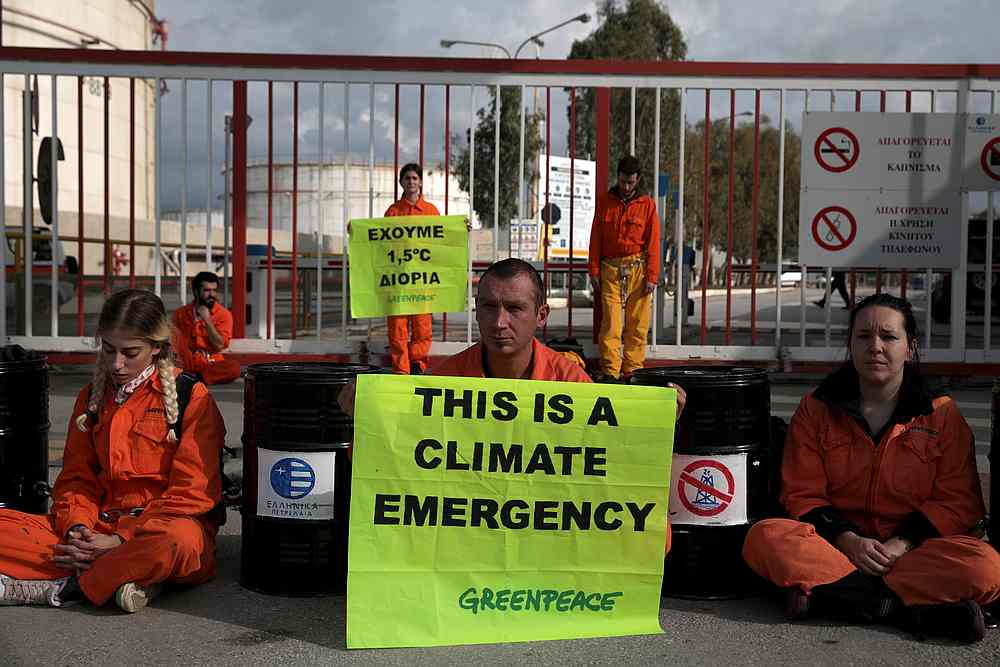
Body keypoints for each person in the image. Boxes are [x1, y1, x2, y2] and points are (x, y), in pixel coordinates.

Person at [339, 258, 685, 555]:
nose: (499, 322)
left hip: (541, 540)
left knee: (654, 537)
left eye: (515, 308)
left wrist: (652, 434)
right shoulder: (444, 382)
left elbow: (612, 471)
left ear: (541, 315)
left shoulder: (571, 385)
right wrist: (367, 421)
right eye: (488, 307)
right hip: (466, 540)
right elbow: (383, 470)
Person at [742, 293, 1000, 643]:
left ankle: (838, 597)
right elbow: (802, 493)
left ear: (910, 348)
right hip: (836, 547)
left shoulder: (941, 413)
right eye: (863, 337)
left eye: (889, 337)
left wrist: (900, 544)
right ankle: (905, 609)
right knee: (765, 539)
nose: (875, 346)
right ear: (850, 345)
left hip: (913, 552)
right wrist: (848, 540)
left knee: (987, 567)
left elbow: (958, 502)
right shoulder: (817, 408)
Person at [0, 289, 226, 612]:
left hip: (159, 529)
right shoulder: (92, 396)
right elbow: (76, 479)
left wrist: (120, 539)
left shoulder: (193, 397)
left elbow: (192, 496)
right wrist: (78, 530)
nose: (116, 364)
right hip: (97, 527)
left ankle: (71, 585)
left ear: (157, 348)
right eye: (108, 350)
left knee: (177, 543)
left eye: (130, 352)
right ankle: (121, 578)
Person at [588, 155, 660, 382]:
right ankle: (610, 372)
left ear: (637, 180)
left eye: (631, 182)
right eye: (623, 181)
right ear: (618, 176)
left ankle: (632, 371)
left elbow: (654, 242)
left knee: (637, 324)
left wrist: (652, 276)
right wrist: (594, 270)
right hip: (610, 269)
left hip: (638, 269)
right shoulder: (605, 201)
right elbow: (595, 237)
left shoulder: (647, 205)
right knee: (611, 323)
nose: (626, 187)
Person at [383, 163, 440, 375]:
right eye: (407, 178)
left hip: (422, 281)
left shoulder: (431, 212)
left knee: (422, 326)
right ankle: (400, 369)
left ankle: (417, 364)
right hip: (398, 281)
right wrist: (358, 231)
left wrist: (461, 229)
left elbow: (442, 238)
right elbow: (380, 241)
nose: (411, 182)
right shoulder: (393, 212)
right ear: (401, 182)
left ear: (421, 182)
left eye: (415, 178)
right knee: (397, 328)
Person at [172, 271, 241, 385]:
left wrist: (207, 320)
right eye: (207, 290)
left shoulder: (223, 314)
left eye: (214, 290)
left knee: (234, 368)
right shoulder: (181, 313)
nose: (212, 294)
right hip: (186, 361)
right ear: (196, 291)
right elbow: (172, 341)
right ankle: (188, 377)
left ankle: (195, 379)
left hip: (210, 363)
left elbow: (219, 345)